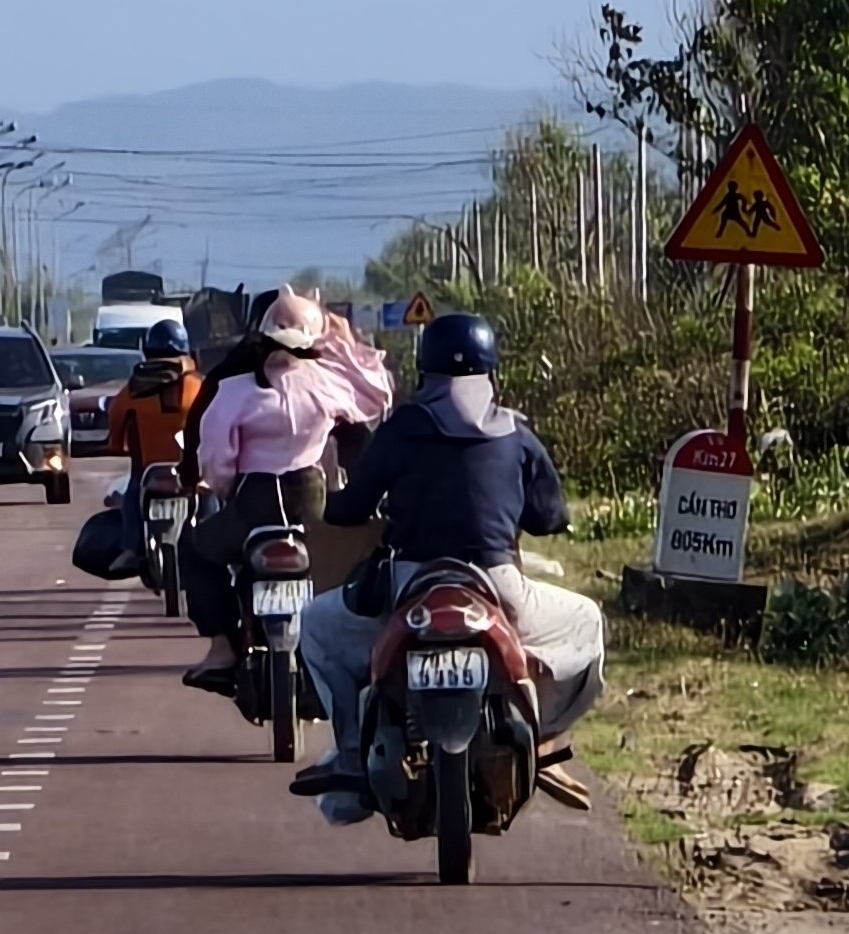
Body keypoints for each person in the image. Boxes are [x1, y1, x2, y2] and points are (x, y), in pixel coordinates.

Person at [290, 310, 606, 822]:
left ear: (425, 371)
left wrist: (349, 502)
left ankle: (350, 751)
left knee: (318, 624)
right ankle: (546, 741)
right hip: (500, 586)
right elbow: (550, 517)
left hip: (410, 580)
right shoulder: (516, 433)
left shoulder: (402, 429)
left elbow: (348, 511)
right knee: (587, 621)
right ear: (492, 371)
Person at [177, 287, 391, 688]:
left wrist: (223, 489)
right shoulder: (328, 385)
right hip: (311, 499)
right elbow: (376, 396)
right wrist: (342, 342)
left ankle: (222, 648)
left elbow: (217, 459)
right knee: (343, 568)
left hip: (254, 502)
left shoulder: (233, 389)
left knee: (195, 549)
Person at [104, 318, 203, 477]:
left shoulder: (133, 388)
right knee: (210, 496)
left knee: (133, 492)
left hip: (146, 473)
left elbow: (116, 420)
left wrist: (117, 444)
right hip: (192, 473)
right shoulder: (199, 385)